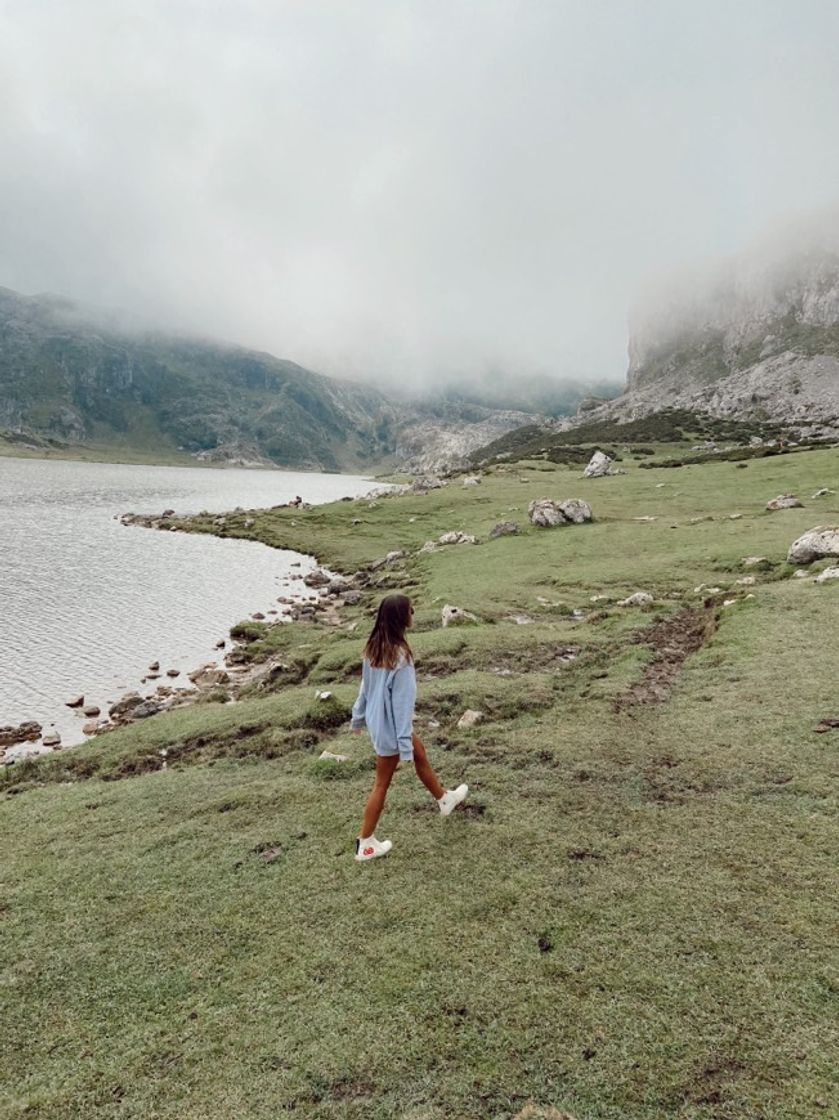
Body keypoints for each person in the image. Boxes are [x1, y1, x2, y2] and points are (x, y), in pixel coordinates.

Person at [351, 593, 468, 861]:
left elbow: (364, 690)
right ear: (400, 618)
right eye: (410, 610)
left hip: (380, 724)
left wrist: (358, 718)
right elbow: (402, 706)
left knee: (420, 753)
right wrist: (402, 742)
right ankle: (366, 843)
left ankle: (444, 799)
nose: (413, 613)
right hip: (391, 729)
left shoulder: (373, 648)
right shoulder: (400, 658)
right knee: (381, 784)